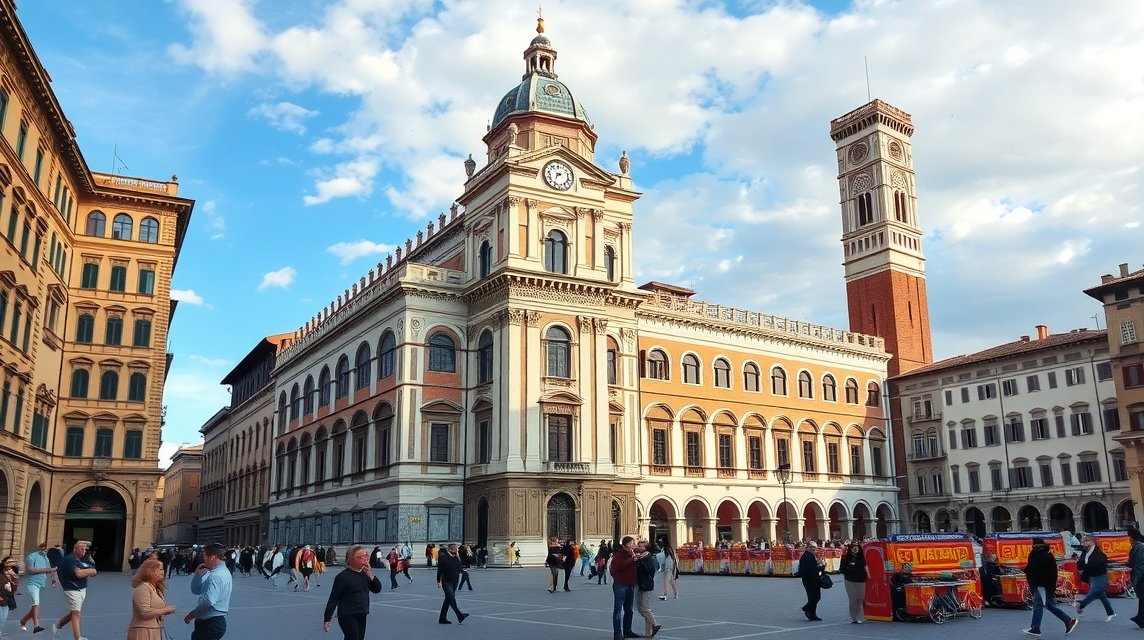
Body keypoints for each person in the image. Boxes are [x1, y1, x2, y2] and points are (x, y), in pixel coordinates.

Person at [322, 544, 381, 640]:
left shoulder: (364, 573)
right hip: (347, 614)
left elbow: (377, 589)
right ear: (352, 559)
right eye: (361, 556)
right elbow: (334, 598)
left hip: (362, 613)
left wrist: (370, 575)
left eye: (365, 555)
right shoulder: (342, 577)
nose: (365, 558)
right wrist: (327, 618)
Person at [1022, 536, 1078, 637]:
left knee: (1039, 606)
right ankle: (1067, 621)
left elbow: (1034, 570)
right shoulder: (1047, 554)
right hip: (1047, 585)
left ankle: (1036, 628)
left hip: (1041, 585)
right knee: (1048, 605)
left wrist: (1029, 575)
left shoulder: (1037, 555)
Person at [183, 543, 233, 640]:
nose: (204, 559)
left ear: (213, 557)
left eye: (205, 556)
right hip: (213, 621)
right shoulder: (219, 572)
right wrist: (197, 576)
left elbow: (208, 603)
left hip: (210, 622)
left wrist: (192, 614)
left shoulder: (216, 576)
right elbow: (196, 590)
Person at [51, 540, 97, 640]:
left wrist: (89, 571)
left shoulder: (81, 559)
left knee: (74, 612)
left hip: (82, 589)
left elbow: (92, 570)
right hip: (72, 589)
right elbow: (79, 574)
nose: (84, 551)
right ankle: (78, 638)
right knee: (77, 613)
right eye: (81, 549)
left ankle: (58, 625)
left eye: (85, 549)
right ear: (75, 549)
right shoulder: (70, 559)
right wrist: (91, 571)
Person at [128, 558, 178, 640]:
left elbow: (154, 608)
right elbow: (144, 612)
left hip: (154, 629)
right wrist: (165, 610)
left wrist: (165, 611)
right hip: (143, 631)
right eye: (160, 569)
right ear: (150, 571)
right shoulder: (143, 588)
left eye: (163, 569)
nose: (163, 571)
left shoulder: (155, 587)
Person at [18, 542, 57, 633]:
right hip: (32, 583)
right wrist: (50, 570)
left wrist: (53, 579)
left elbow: (49, 569)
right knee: (35, 604)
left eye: (46, 549)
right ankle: (36, 626)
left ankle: (23, 620)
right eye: (43, 548)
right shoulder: (32, 557)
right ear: (39, 548)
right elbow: (31, 570)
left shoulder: (46, 558)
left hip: (42, 584)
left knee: (35, 607)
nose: (44, 550)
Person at [1075, 534, 1115, 622]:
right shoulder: (1085, 552)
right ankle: (1111, 613)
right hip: (1092, 576)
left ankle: (1081, 604)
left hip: (1100, 576)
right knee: (1101, 595)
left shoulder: (1098, 552)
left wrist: (1087, 566)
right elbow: (1081, 564)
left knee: (1094, 593)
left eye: (1088, 540)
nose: (1086, 542)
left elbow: (1100, 562)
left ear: (1093, 542)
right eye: (1085, 541)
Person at [609, 536, 642, 640]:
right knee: (618, 610)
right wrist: (631, 560)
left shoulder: (631, 554)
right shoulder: (618, 556)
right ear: (627, 544)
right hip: (620, 585)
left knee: (629, 610)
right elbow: (615, 569)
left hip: (630, 585)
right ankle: (617, 634)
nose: (634, 545)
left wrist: (636, 560)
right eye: (632, 543)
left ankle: (627, 631)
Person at [435, 543, 469, 625]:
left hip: (455, 582)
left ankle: (442, 618)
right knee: (451, 598)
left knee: (448, 600)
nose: (457, 550)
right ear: (450, 549)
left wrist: (463, 570)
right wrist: (438, 581)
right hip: (446, 582)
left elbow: (458, 568)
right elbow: (439, 571)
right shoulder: (443, 558)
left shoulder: (456, 558)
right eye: (456, 549)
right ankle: (460, 615)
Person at [635, 541, 661, 638]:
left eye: (640, 546)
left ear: (645, 548)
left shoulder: (648, 558)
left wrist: (639, 561)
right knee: (642, 608)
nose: (638, 547)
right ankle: (648, 633)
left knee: (644, 608)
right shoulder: (641, 556)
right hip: (642, 584)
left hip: (646, 585)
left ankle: (655, 624)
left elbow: (648, 570)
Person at [840, 542, 868, 623]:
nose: (855, 549)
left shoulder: (862, 559)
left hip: (861, 580)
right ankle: (853, 617)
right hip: (850, 580)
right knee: (853, 599)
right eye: (853, 548)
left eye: (857, 548)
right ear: (850, 549)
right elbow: (842, 570)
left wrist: (865, 575)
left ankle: (860, 617)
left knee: (860, 599)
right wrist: (850, 568)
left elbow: (865, 569)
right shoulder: (845, 558)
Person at [797, 543, 825, 621]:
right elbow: (811, 569)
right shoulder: (808, 556)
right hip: (811, 580)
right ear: (807, 548)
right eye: (812, 547)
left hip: (811, 579)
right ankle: (807, 609)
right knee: (815, 597)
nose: (814, 549)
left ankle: (811, 613)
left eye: (815, 548)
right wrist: (820, 566)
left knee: (814, 597)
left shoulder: (809, 555)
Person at [1128, 527, 1144, 628]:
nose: (1128, 540)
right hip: (1139, 576)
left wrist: (1136, 579)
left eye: (1129, 537)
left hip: (1141, 578)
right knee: (1142, 599)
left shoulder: (1139, 547)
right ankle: (1140, 617)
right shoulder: (1136, 547)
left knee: (1142, 598)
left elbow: (1140, 564)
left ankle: (1140, 618)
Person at [1, 556, 19, 634]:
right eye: (8, 562)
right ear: (3, 563)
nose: (10, 564)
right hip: (1, 596)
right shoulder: (1, 572)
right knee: (1, 616)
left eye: (12, 562)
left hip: (8, 596)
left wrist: (14, 576)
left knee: (4, 617)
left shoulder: (13, 572)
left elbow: (14, 588)